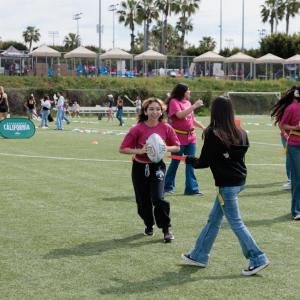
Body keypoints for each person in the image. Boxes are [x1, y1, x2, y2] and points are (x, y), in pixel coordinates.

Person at [181, 96, 269, 276]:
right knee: (214, 220)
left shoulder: (213, 133)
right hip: (239, 181)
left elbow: (204, 162)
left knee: (236, 223)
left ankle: (258, 257)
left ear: (214, 111)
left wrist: (189, 160)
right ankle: (199, 255)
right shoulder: (241, 131)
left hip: (227, 186)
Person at [119, 98, 180, 242]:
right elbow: (122, 149)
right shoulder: (137, 129)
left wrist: (166, 148)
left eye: (157, 109)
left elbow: (177, 146)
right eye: (151, 109)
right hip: (140, 167)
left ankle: (166, 229)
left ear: (162, 111)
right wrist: (139, 151)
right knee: (143, 201)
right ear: (145, 111)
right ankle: (149, 224)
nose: (155, 111)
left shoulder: (166, 128)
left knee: (158, 198)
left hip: (157, 166)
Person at [164, 83, 205, 195]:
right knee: (175, 162)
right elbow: (180, 115)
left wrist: (203, 128)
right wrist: (194, 106)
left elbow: (191, 119)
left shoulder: (188, 102)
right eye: (188, 90)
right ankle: (168, 186)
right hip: (178, 138)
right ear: (182, 92)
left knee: (191, 163)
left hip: (191, 137)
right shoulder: (174, 102)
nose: (189, 92)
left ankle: (191, 189)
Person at [271, 86, 300, 220]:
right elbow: (282, 124)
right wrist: (295, 127)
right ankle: (296, 211)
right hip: (295, 145)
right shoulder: (291, 108)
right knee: (297, 178)